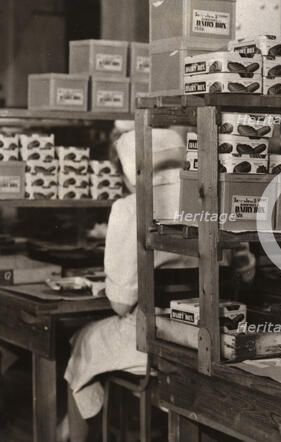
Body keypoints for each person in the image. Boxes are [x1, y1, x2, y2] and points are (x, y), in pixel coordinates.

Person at [61, 128, 200, 442]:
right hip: (208, 335)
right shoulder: (209, 201)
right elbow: (243, 272)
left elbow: (121, 304)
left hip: (155, 340)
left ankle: (71, 433)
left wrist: (112, 287)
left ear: (128, 172)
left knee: (82, 339)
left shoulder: (129, 209)